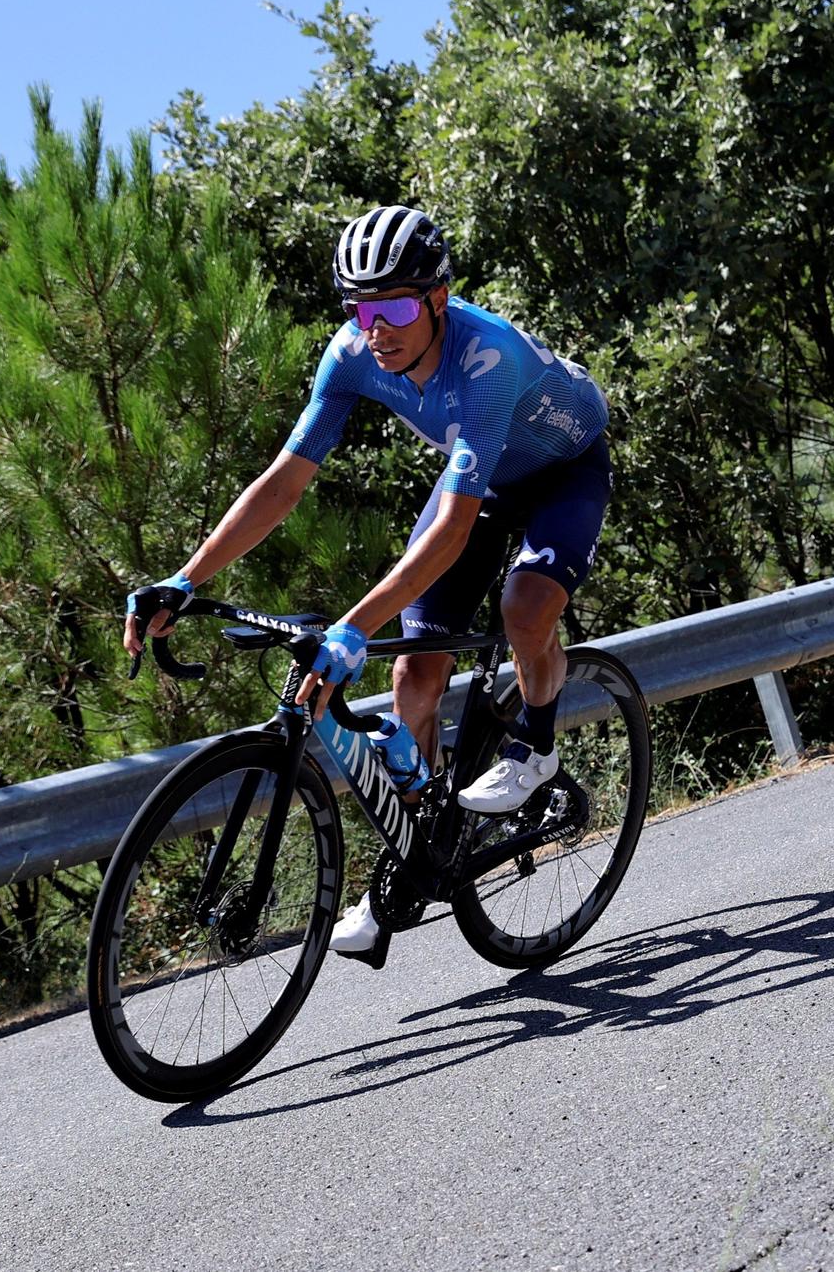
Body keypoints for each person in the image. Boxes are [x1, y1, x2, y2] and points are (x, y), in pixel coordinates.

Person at [122, 204, 612, 964]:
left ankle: (537, 747)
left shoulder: (487, 358)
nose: (375, 327)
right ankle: (421, 855)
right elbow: (285, 480)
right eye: (360, 307)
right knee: (415, 675)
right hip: (479, 487)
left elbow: (450, 531)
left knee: (524, 607)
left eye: (393, 307)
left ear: (438, 299)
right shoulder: (352, 352)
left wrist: (352, 628)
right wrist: (186, 579)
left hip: (562, 473)